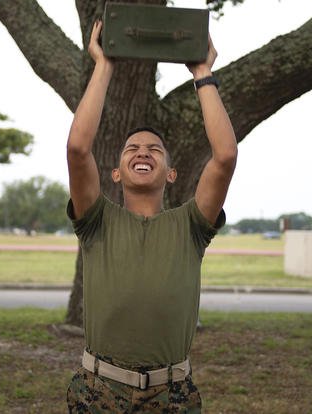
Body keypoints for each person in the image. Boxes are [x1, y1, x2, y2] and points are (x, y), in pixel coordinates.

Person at [65, 20, 237, 413]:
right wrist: (104, 64)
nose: (143, 152)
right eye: (132, 148)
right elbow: (77, 148)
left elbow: (224, 157)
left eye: (155, 149)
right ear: (116, 171)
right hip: (98, 390)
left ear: (171, 174)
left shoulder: (191, 226)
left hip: (172, 394)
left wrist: (203, 73)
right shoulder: (96, 220)